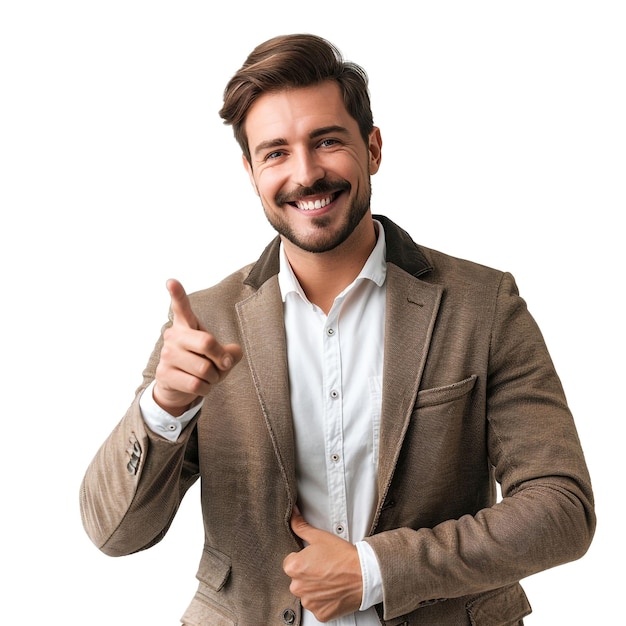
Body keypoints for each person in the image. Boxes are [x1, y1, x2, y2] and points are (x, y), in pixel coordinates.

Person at [80, 34, 595, 625]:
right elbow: (113, 533)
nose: (306, 173)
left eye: (327, 141)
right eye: (275, 152)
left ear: (373, 148)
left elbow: (562, 508)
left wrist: (376, 569)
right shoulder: (205, 323)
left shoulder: (482, 305)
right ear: (250, 172)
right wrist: (163, 407)